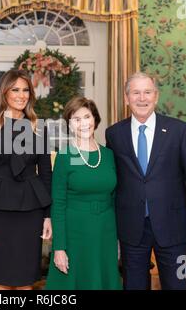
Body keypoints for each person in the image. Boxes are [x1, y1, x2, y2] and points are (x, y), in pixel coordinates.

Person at [105, 72, 186, 290]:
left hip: (175, 229)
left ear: (156, 96)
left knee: (179, 284)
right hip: (131, 229)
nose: (141, 98)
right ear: (126, 98)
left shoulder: (179, 131)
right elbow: (112, 181)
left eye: (147, 92)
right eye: (135, 92)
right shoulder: (114, 134)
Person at [0, 69, 52, 290]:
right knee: (1, 279)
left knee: (26, 279)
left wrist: (48, 216)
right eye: (15, 89)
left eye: (26, 90)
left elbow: (46, 175)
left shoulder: (39, 128)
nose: (21, 95)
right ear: (4, 92)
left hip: (31, 210)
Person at [45, 97, 122, 290]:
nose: (83, 123)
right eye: (76, 119)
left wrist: (119, 239)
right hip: (74, 234)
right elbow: (58, 204)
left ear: (95, 119)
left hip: (105, 232)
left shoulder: (109, 155)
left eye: (86, 117)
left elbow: (115, 198)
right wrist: (59, 248)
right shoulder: (65, 157)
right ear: (69, 125)